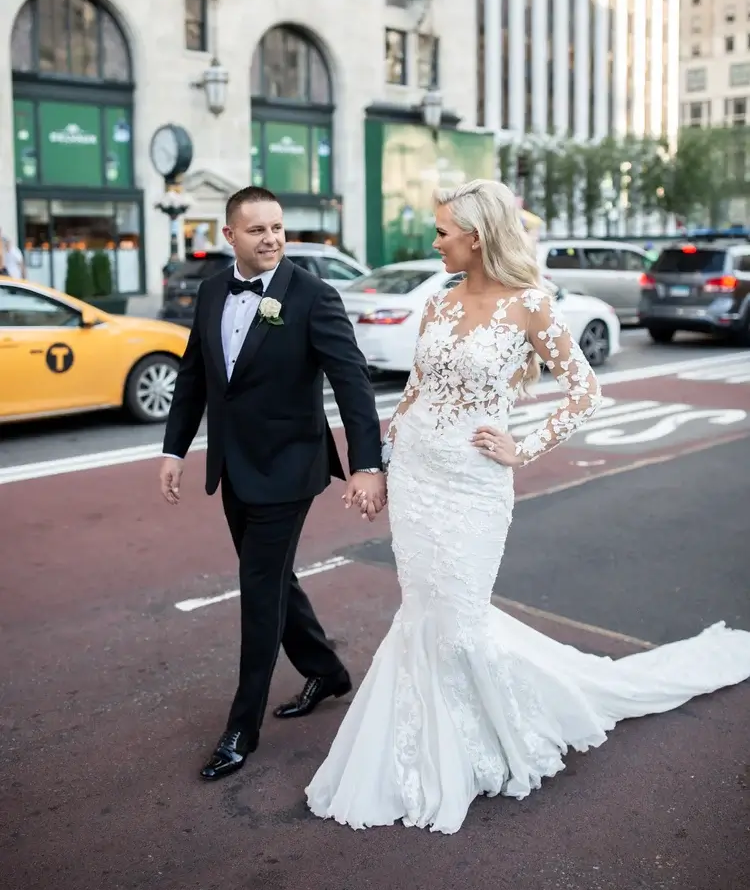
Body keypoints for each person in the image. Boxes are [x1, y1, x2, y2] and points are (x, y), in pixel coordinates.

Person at [306, 178, 750, 835]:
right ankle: (423, 749)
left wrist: (525, 446)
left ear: (477, 236)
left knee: (459, 621)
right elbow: (415, 390)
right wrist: (379, 465)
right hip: (419, 476)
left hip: (474, 484)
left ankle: (489, 737)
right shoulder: (439, 300)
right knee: (424, 612)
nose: (435, 241)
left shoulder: (531, 304)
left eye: (442, 231)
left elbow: (585, 390)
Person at [160, 186, 386, 781]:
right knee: (274, 576)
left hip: (289, 468)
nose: (271, 239)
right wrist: (174, 449)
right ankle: (326, 671)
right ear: (229, 235)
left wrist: (368, 463)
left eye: (278, 228)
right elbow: (194, 376)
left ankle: (242, 727)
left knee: (259, 589)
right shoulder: (213, 291)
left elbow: (352, 381)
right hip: (232, 465)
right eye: (257, 229)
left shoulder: (313, 295)